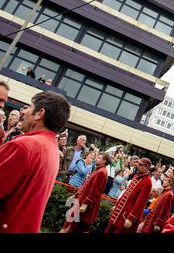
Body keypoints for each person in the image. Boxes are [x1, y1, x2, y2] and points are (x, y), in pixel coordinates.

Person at [0, 91, 71, 232]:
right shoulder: (52, 149)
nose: (23, 112)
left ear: (39, 113)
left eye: (29, 107)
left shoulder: (24, 145)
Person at [60, 152, 111, 233]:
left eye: (99, 157)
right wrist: (75, 195)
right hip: (83, 201)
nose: (96, 158)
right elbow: (86, 186)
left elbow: (95, 191)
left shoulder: (101, 172)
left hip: (86, 204)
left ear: (104, 161)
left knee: (73, 224)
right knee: (76, 226)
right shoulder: (98, 170)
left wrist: (85, 204)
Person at [105, 158, 152, 233]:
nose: (138, 166)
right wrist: (117, 205)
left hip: (127, 214)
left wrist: (131, 218)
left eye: (140, 165)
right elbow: (126, 193)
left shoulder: (148, 182)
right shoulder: (136, 175)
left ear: (146, 167)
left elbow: (140, 203)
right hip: (121, 210)